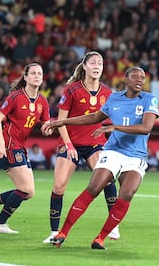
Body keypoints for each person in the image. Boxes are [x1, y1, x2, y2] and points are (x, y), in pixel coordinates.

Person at [41, 67, 159, 250]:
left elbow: (146, 127)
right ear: (125, 80)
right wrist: (63, 121)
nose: (140, 80)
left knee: (127, 193)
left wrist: (115, 127)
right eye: (135, 76)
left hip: (136, 156)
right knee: (95, 187)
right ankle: (62, 233)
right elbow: (94, 117)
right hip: (113, 151)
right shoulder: (114, 98)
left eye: (142, 77)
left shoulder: (148, 99)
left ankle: (100, 238)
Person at [42, 51, 119, 244]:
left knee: (107, 178)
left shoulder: (108, 93)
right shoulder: (72, 90)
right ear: (84, 66)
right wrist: (68, 145)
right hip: (71, 142)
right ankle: (53, 232)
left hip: (95, 144)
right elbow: (61, 120)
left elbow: (115, 118)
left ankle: (113, 225)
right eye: (93, 62)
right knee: (59, 186)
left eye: (100, 63)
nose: (97, 66)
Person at [0, 63, 50, 233]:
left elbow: (46, 125)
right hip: (8, 145)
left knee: (28, 192)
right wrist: (0, 143)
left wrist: (49, 128)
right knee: (24, 189)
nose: (37, 76)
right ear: (26, 77)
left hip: (21, 147)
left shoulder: (42, 102)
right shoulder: (16, 97)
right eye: (34, 73)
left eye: (40, 73)